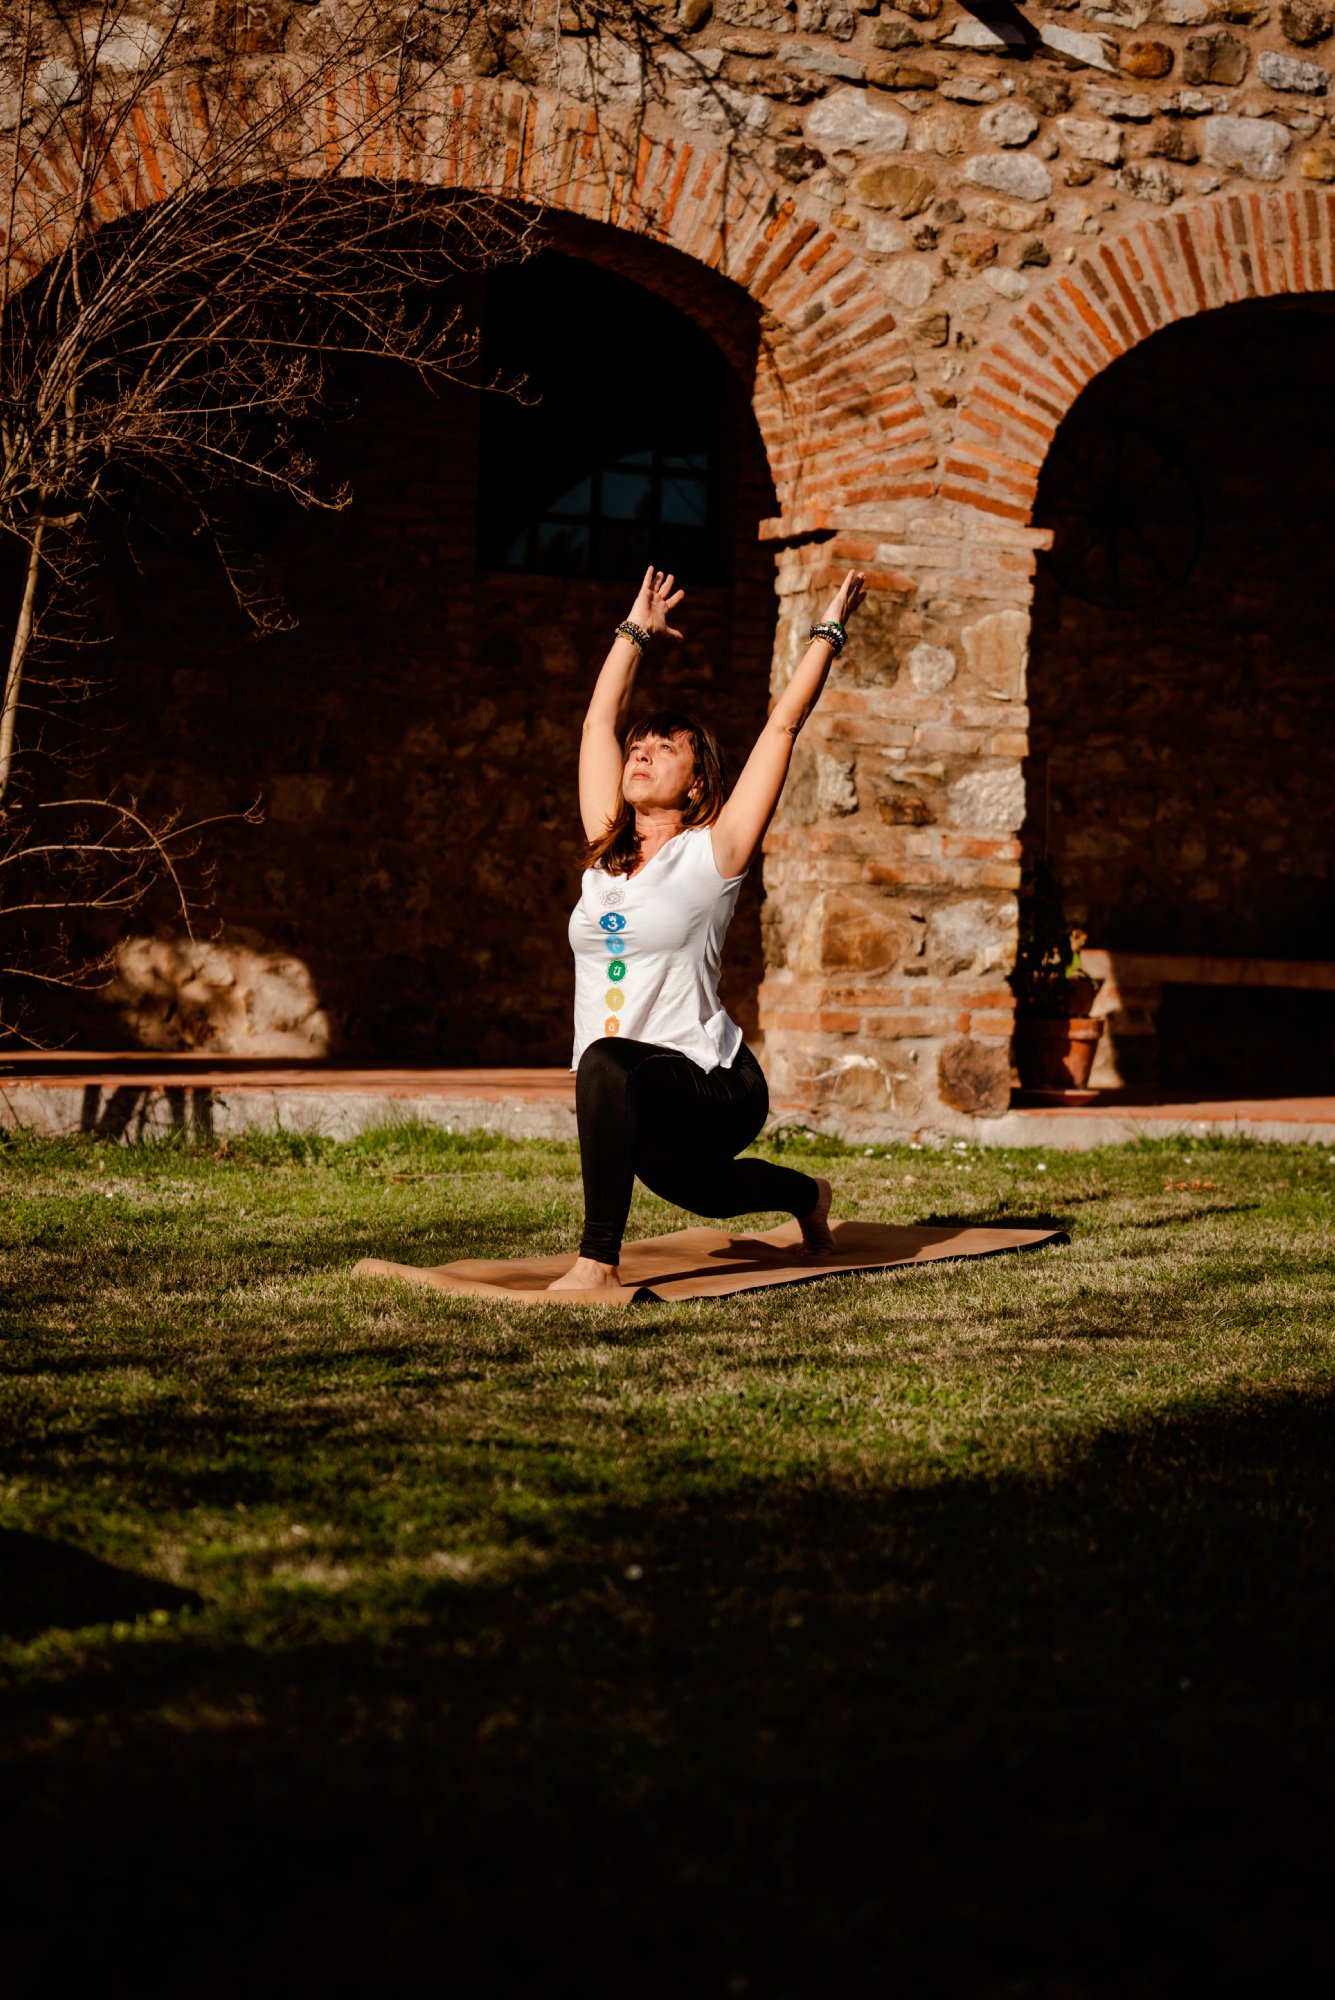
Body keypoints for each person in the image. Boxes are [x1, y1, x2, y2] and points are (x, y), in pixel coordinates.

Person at [548, 561, 867, 1293]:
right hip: (640, 1085)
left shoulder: (712, 852)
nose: (640, 751)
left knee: (602, 1061)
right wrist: (636, 630)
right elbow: (599, 720)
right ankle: (806, 1196)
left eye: (664, 747)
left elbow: (782, 724)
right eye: (639, 745)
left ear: (695, 782)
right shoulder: (604, 852)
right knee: (705, 1193)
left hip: (715, 1082)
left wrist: (827, 631)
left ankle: (597, 1262)